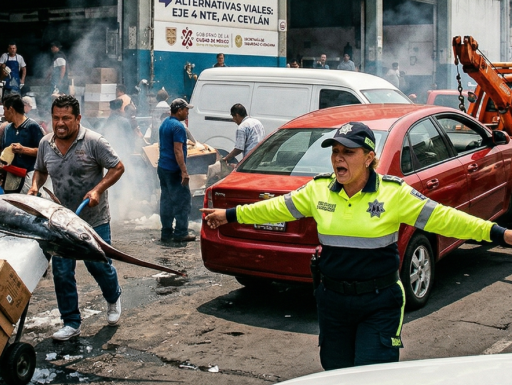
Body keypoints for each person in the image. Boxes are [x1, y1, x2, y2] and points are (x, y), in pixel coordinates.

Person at [201, 121, 512, 370]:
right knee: (335, 371)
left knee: (371, 373)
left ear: (369, 158)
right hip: (333, 301)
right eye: (335, 151)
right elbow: (275, 208)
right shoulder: (319, 190)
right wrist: (228, 215)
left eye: (348, 152)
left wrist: (499, 234)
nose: (338, 158)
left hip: (379, 303)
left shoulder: (393, 194)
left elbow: (446, 219)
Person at [28, 94, 124, 341]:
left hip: (94, 218)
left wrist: (97, 190)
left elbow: (118, 167)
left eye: (66, 118)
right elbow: (39, 170)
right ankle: (71, 322)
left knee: (99, 265)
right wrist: (33, 186)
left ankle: (113, 298)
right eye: (56, 118)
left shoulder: (94, 141)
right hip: (61, 220)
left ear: (78, 118)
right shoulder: (45, 143)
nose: (60, 123)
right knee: (61, 272)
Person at [158, 98, 195, 242]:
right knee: (183, 201)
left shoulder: (165, 123)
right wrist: (184, 172)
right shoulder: (178, 127)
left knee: (166, 201)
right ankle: (181, 233)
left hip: (163, 168)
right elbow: (178, 151)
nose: (187, 113)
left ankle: (166, 232)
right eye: (186, 110)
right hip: (174, 171)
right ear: (179, 110)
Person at [0, 95, 43, 194]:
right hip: (11, 176)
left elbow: (43, 151)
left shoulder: (32, 126)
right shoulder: (8, 129)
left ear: (11, 109)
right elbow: (5, 153)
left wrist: (23, 150)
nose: (4, 114)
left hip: (29, 176)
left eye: (4, 109)